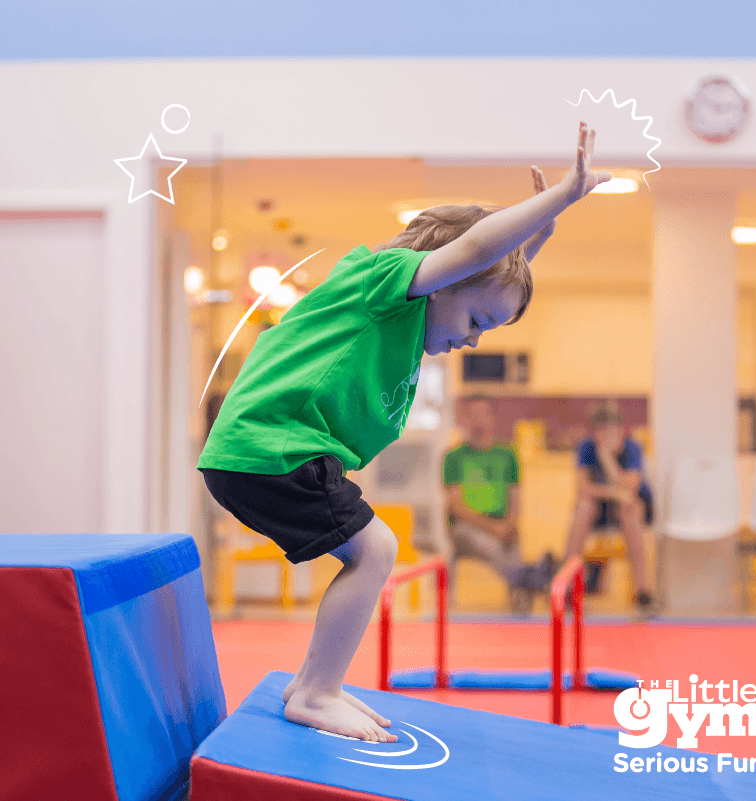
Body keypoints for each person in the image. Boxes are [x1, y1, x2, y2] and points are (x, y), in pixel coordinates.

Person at [198, 122, 611, 743]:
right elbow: (476, 255)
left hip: (275, 451)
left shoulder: (408, 323)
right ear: (441, 281)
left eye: (486, 330)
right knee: (376, 551)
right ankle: (315, 691)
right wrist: (558, 197)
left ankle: (311, 681)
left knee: (372, 550)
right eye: (476, 321)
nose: (473, 339)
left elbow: (481, 276)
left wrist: (535, 239)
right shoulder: (382, 284)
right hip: (271, 446)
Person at [442, 395, 555, 613]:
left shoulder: (508, 454)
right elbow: (456, 507)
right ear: (465, 419)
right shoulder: (453, 457)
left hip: (503, 527)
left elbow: (516, 500)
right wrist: (493, 528)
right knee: (482, 541)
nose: (478, 420)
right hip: (466, 530)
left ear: (492, 417)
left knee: (509, 542)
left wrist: (508, 525)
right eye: (473, 415)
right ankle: (529, 577)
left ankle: (523, 586)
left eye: (482, 414)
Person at [563, 402, 656, 617]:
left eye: (612, 431)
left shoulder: (632, 448)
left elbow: (631, 487)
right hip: (600, 511)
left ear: (622, 430)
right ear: (594, 433)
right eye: (602, 431)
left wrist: (607, 458)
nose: (607, 437)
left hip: (630, 512)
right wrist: (614, 493)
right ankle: (568, 587)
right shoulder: (587, 447)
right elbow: (583, 488)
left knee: (630, 509)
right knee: (583, 507)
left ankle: (642, 592)